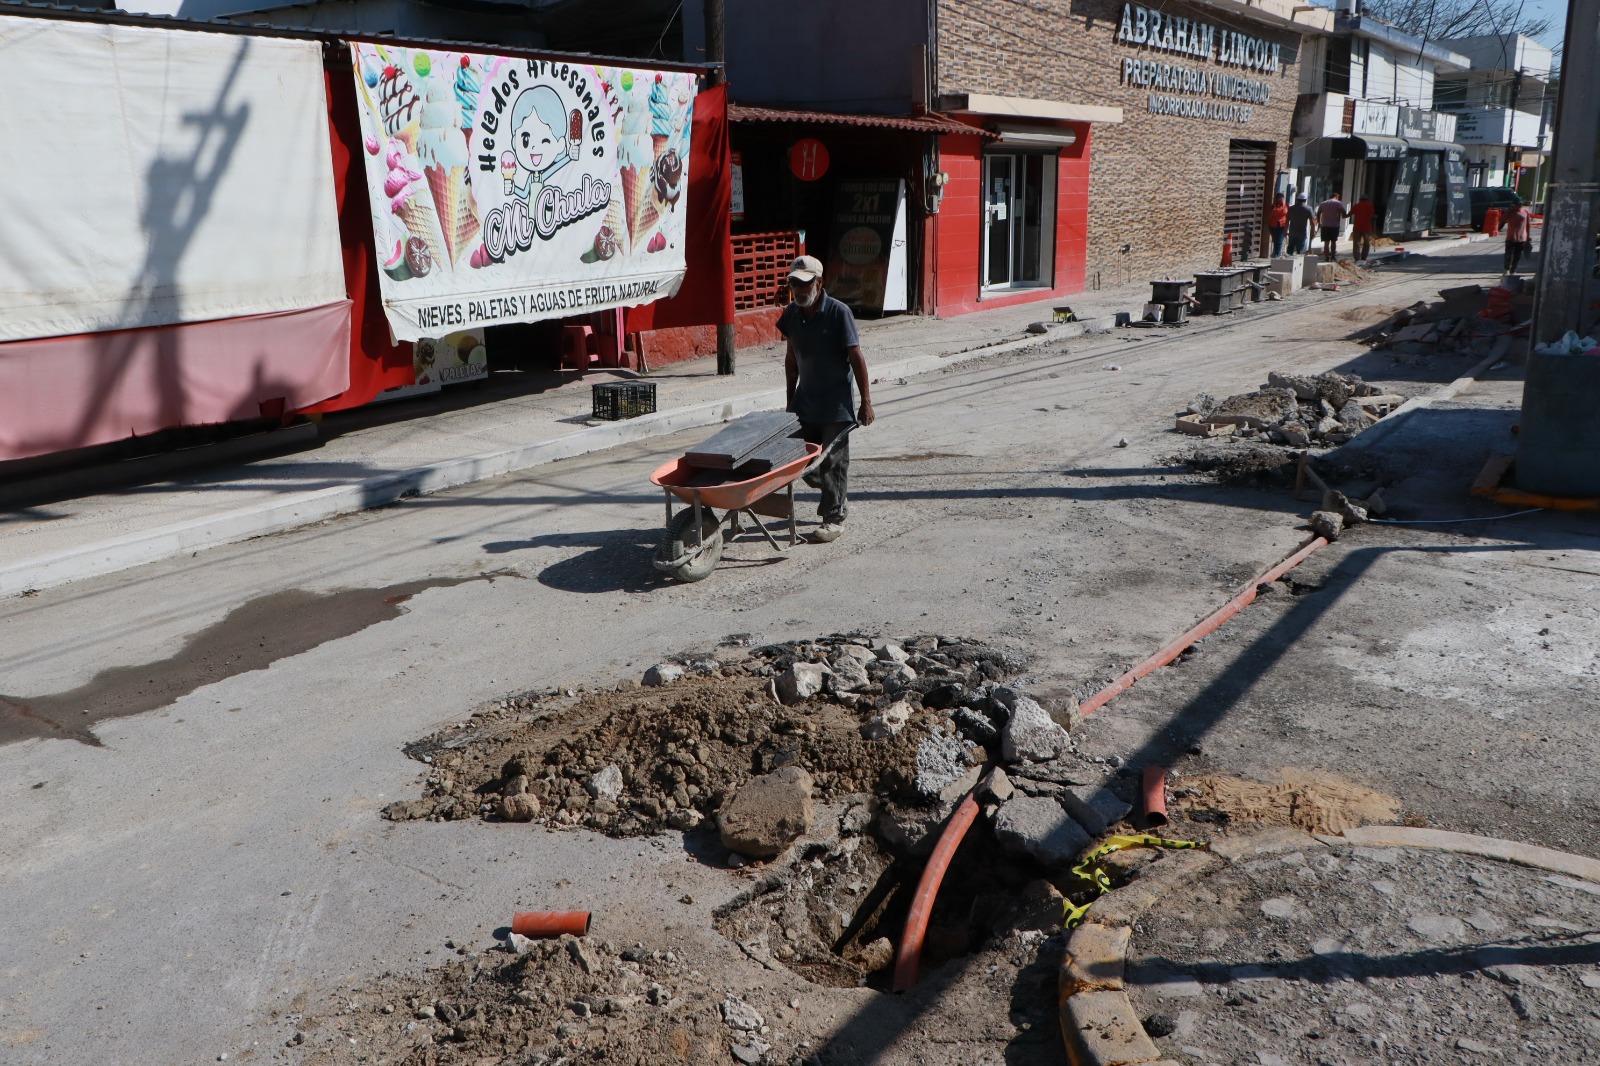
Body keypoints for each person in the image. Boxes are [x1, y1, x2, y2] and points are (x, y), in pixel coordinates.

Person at [779, 255, 875, 543]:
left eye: (805, 284)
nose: (799, 290)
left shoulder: (838, 313)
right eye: (794, 284)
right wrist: (789, 404)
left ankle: (834, 517)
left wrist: (866, 402)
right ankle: (836, 492)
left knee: (833, 462)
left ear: (819, 283)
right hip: (805, 403)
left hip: (836, 406)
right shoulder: (792, 314)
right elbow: (791, 361)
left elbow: (857, 358)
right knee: (799, 463)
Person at [1503, 201, 1533, 274]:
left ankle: (1513, 270)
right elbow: (1503, 220)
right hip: (1510, 237)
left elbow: (1528, 225)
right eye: (1517, 205)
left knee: (1517, 256)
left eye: (1520, 205)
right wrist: (1508, 211)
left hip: (1521, 238)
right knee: (1508, 255)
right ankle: (1506, 269)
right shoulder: (1510, 212)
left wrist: (1528, 236)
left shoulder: (1525, 212)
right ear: (1514, 205)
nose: (1519, 206)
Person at [1316, 192, 1347, 260]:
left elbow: (1318, 213)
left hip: (1325, 225)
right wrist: (1343, 216)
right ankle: (1333, 256)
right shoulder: (1338, 203)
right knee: (1333, 242)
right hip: (1334, 226)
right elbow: (1343, 211)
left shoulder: (1323, 203)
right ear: (1337, 197)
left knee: (1326, 243)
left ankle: (1327, 257)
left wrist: (1319, 222)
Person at [1350, 194, 1377, 262]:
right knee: (1366, 243)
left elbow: (1349, 214)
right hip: (1366, 227)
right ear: (1367, 199)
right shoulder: (1369, 205)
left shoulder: (1356, 206)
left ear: (1360, 200)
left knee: (1356, 243)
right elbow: (1372, 215)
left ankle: (1357, 258)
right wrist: (1374, 217)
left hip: (1357, 227)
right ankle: (1363, 257)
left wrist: (1343, 215)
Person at [1267, 193, 1289, 257]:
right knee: (1275, 240)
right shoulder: (1273, 206)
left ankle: (1277, 254)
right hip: (1273, 225)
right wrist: (1273, 212)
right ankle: (1275, 253)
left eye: (1281, 198)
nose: (1280, 199)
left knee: (1279, 240)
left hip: (1282, 225)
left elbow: (1290, 214)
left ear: (1283, 198)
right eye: (1278, 198)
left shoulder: (1287, 205)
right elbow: (1268, 217)